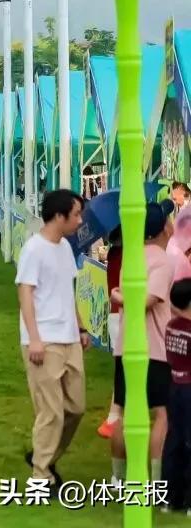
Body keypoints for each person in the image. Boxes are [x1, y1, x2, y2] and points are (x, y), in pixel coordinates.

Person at [16, 189, 87, 486]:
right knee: (51, 412)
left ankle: (44, 456)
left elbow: (66, 291)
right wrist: (34, 339)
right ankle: (41, 476)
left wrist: (80, 328)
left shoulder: (65, 247)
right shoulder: (34, 249)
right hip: (44, 340)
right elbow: (25, 293)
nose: (80, 221)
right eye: (76, 214)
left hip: (69, 338)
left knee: (75, 408)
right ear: (59, 216)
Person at [109, 200, 176, 485]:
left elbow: (129, 298)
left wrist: (119, 297)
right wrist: (121, 298)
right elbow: (147, 301)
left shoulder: (132, 256)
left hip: (126, 346)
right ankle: (157, 481)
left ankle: (118, 479)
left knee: (124, 410)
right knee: (162, 413)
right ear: (163, 228)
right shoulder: (162, 261)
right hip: (155, 349)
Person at [162, 278, 191, 510]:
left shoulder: (171, 326)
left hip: (174, 387)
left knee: (174, 441)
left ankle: (171, 497)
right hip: (189, 390)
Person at [98, 227, 123, 439]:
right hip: (121, 316)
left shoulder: (114, 253)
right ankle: (114, 417)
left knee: (121, 367)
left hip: (116, 315)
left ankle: (115, 415)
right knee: (123, 369)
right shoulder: (123, 255)